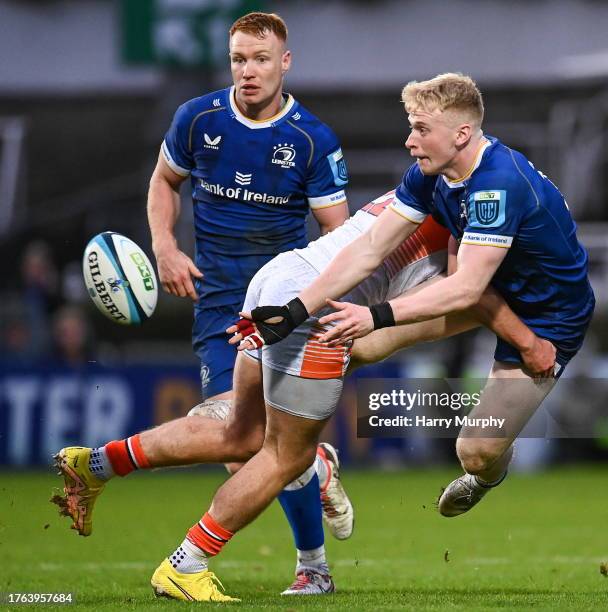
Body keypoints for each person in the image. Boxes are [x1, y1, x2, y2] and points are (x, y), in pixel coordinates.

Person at [52, 179, 556, 601]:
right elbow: (465, 291)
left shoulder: (427, 184)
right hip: (312, 312)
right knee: (286, 456)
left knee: (240, 436)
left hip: (279, 279)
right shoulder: (472, 210)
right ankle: (188, 563)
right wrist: (526, 339)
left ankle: (95, 463)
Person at [242, 73, 595, 519]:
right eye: (412, 126)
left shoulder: (497, 184)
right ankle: (303, 454)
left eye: (421, 129)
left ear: (461, 133)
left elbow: (466, 288)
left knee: (476, 451)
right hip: (478, 286)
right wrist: (296, 309)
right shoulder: (431, 175)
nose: (410, 141)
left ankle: (486, 476)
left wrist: (376, 315)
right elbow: (370, 248)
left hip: (547, 315)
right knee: (342, 343)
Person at [146, 10, 353, 594]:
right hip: (218, 307)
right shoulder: (197, 119)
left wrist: (320, 303)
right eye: (239, 58)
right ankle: (315, 547)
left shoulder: (312, 139)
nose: (248, 70)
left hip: (280, 309)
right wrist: (163, 245)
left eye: (261, 59)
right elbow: (165, 181)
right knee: (245, 450)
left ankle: (312, 566)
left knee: (260, 449)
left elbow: (339, 237)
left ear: (285, 62)